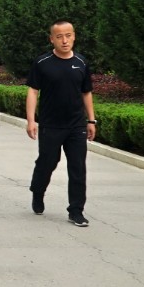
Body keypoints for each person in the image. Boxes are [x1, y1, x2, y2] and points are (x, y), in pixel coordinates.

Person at [26, 20, 97, 227]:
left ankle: (76, 211)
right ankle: (38, 191)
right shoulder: (42, 63)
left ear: (74, 36)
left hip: (76, 125)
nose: (64, 40)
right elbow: (33, 91)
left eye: (68, 35)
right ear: (52, 39)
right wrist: (31, 120)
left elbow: (86, 92)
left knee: (78, 168)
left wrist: (91, 120)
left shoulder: (81, 62)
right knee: (47, 163)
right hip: (51, 125)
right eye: (59, 37)